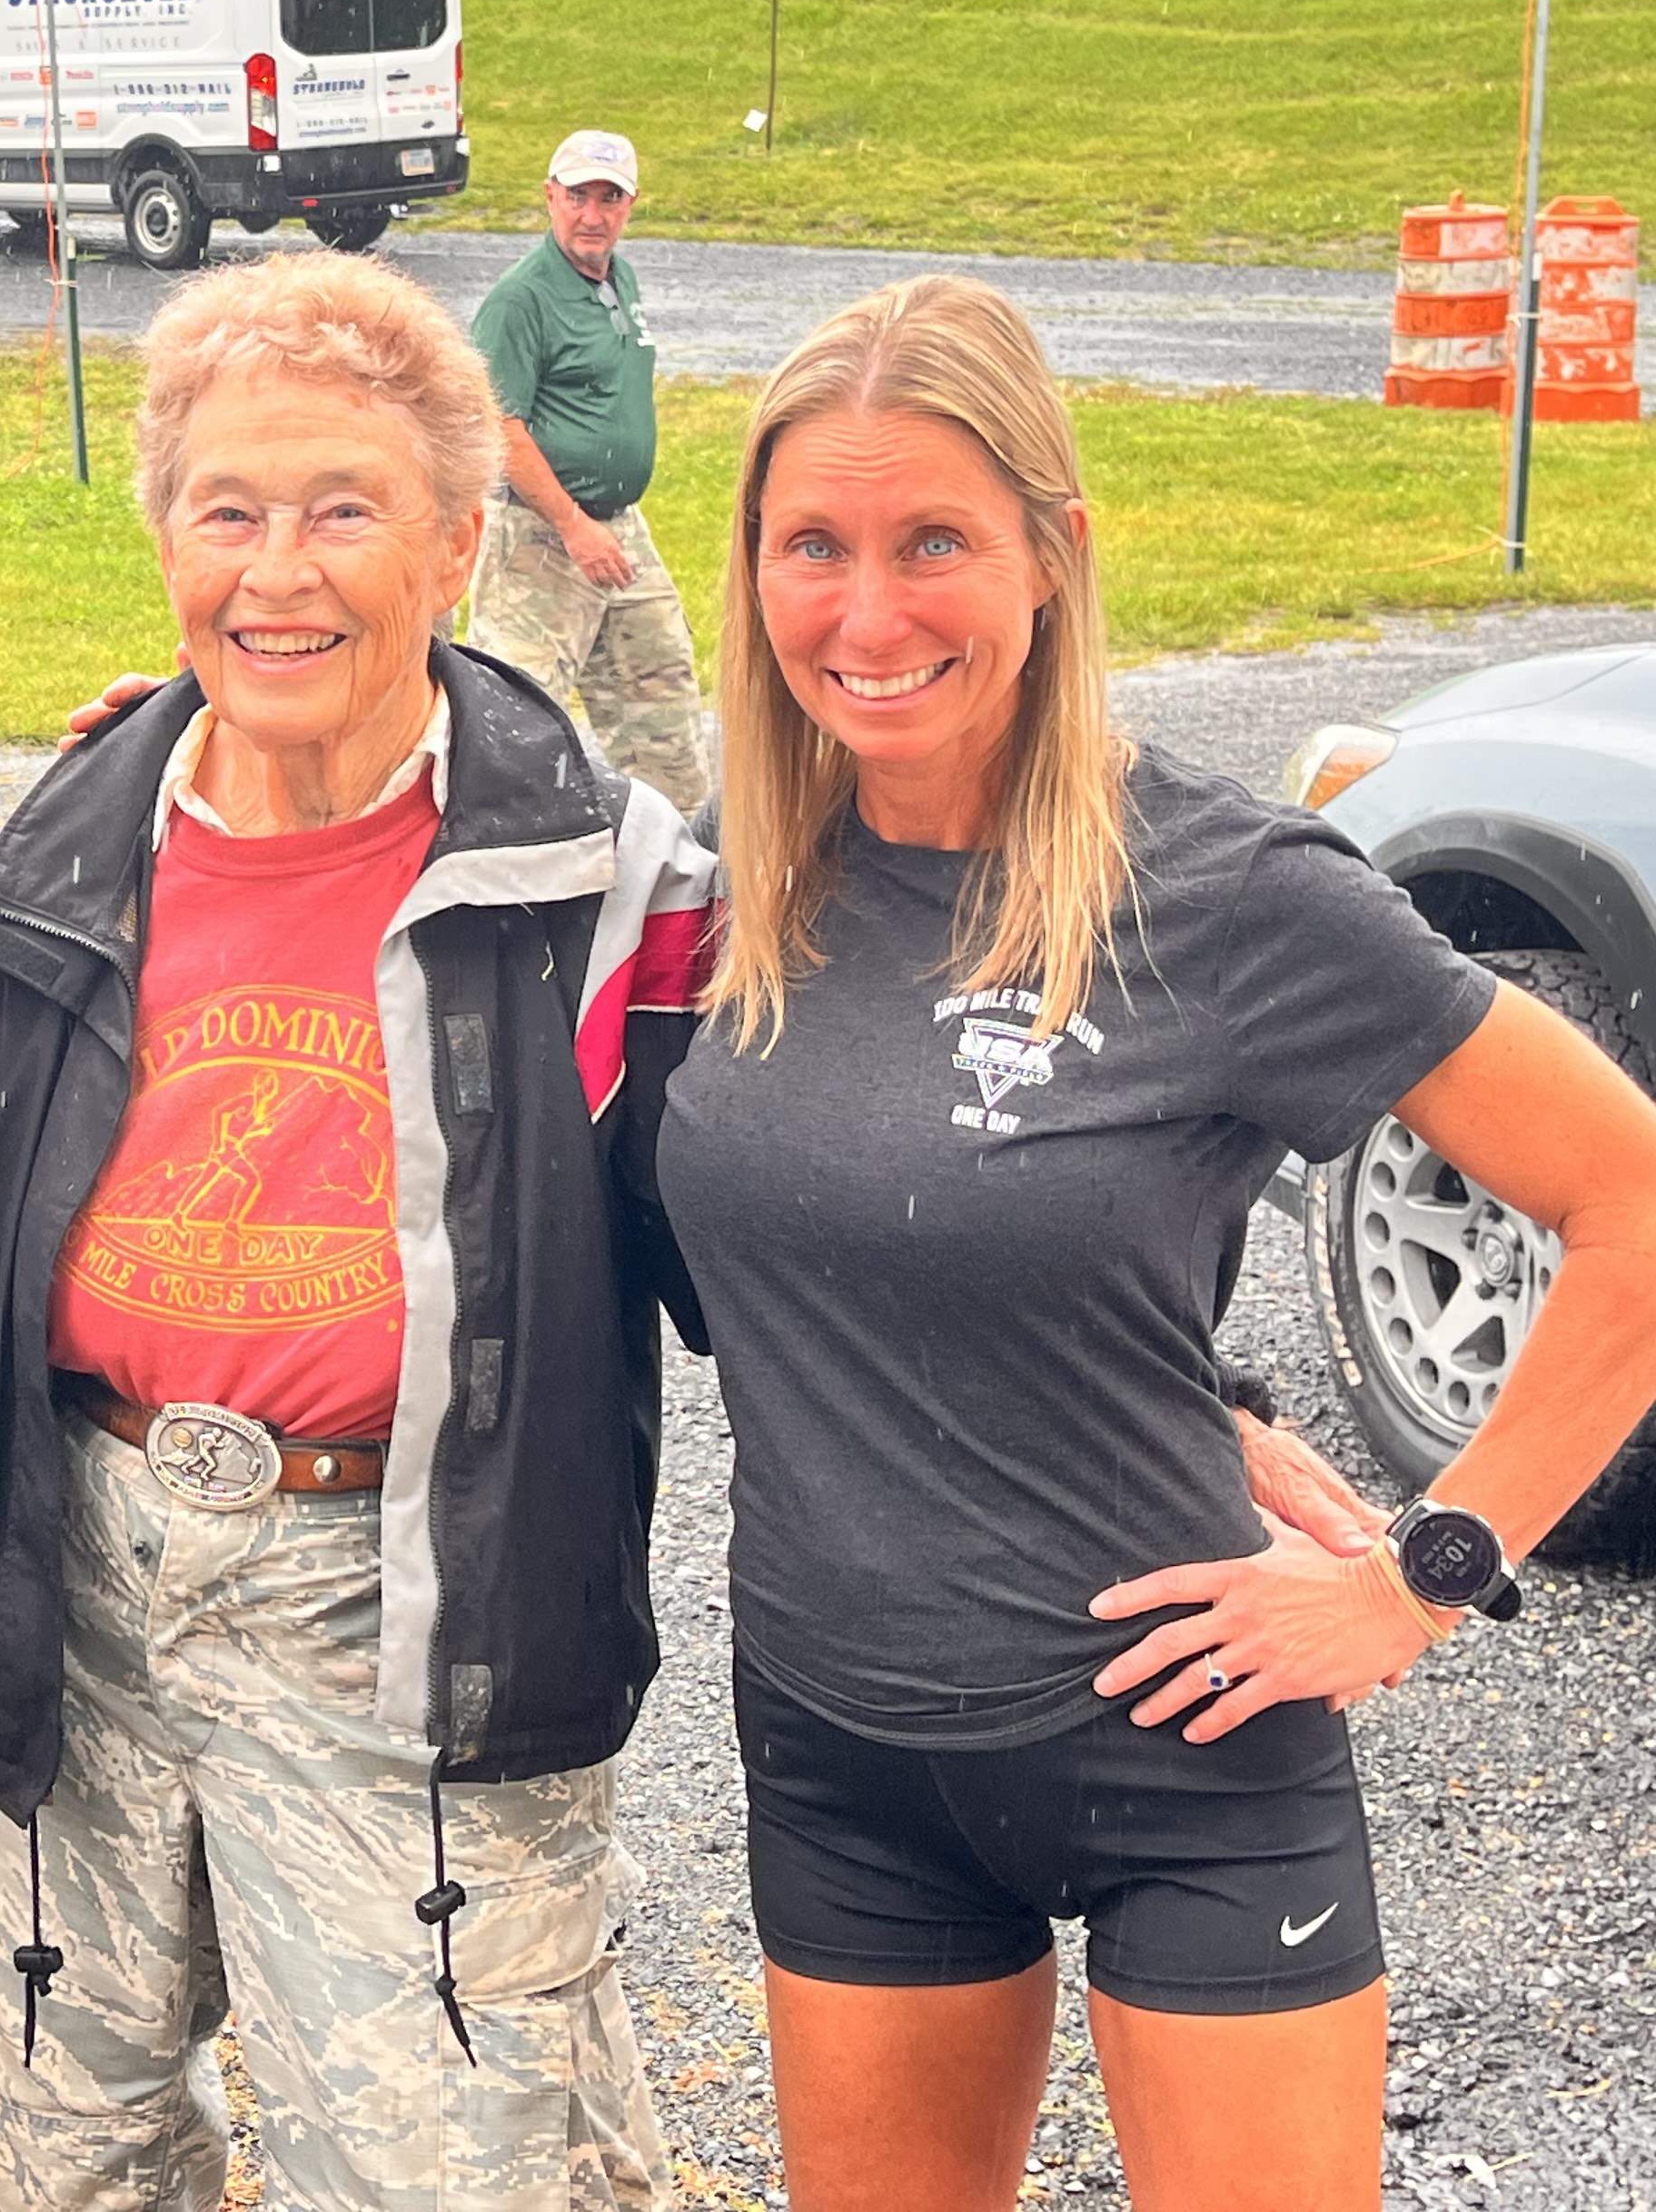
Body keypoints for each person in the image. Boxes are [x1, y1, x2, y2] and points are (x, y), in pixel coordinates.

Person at [651, 274, 1656, 2212]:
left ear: (1054, 553)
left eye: (933, 540)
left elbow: (1633, 1197)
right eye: (814, 548)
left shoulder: (1228, 891)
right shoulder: (735, 885)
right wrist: (181, 749)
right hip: (841, 1749)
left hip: (1186, 1752)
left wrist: (1431, 1571)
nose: (866, 616)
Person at [0, 250, 718, 2212]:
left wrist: (1132, 1399)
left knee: (458, 2174)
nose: (275, 571)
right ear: (163, 535)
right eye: (227, 511)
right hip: (85, 1588)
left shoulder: (605, 891)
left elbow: (791, 1246)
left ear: (460, 546)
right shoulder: (63, 857)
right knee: (64, 2164)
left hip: (416, 1621)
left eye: (342, 512)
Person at [466, 128, 709, 816]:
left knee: (659, 690)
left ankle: (682, 862)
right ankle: (503, 866)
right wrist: (573, 525)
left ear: (630, 206)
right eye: (577, 196)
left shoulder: (618, 279)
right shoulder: (521, 300)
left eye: (610, 198)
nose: (592, 215)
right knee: (516, 716)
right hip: (542, 535)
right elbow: (499, 426)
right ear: (550, 197)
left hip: (620, 528)